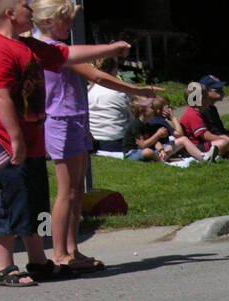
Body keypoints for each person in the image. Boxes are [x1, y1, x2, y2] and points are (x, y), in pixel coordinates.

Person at [0, 0, 129, 287]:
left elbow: (67, 53)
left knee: (34, 201)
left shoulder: (29, 46)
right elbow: (0, 97)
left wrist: (110, 48)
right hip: (7, 143)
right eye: (24, 6)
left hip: (32, 139)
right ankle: (4, 266)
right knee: (8, 203)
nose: (30, 11)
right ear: (10, 14)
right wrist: (15, 138)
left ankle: (38, 260)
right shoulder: (0, 48)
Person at [32, 0, 155, 273]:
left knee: (77, 191)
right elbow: (96, 75)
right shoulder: (52, 49)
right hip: (61, 122)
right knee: (66, 191)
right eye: (64, 21)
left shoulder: (57, 47)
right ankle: (60, 252)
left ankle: (72, 249)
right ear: (47, 22)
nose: (69, 26)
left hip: (73, 119)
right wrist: (137, 90)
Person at [179, 75, 229, 158]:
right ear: (201, 99)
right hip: (195, 147)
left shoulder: (197, 112)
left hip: (204, 143)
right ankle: (221, 154)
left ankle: (228, 151)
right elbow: (206, 136)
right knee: (222, 143)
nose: (208, 101)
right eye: (207, 97)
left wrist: (225, 137)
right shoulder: (192, 115)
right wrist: (226, 139)